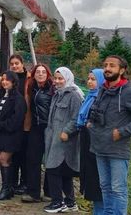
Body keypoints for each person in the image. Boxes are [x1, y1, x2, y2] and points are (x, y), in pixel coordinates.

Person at [88, 55, 131, 215]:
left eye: (112, 66)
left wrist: (122, 132)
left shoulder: (128, 91)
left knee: (118, 189)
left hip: (117, 151)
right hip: (100, 147)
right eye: (105, 65)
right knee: (105, 187)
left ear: (122, 70)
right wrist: (91, 123)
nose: (107, 68)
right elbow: (96, 110)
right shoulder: (103, 88)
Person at [43, 67, 83, 213]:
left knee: (53, 170)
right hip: (54, 139)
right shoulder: (57, 95)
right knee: (64, 172)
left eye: (60, 78)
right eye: (56, 78)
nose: (57, 81)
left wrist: (67, 131)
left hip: (65, 141)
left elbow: (77, 117)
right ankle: (71, 202)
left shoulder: (74, 96)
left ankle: (57, 202)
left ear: (68, 79)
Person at [0, 71, 27, 201]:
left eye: (8, 80)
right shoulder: (3, 95)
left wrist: (2, 124)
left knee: (3, 158)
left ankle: (6, 189)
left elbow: (17, 119)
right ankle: (9, 188)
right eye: (3, 79)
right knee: (5, 160)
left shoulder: (18, 98)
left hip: (12, 134)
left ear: (14, 82)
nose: (5, 82)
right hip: (3, 133)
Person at [22, 63, 54, 203]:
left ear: (47, 74)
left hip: (49, 127)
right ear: (34, 75)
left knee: (50, 160)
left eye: (43, 72)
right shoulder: (32, 88)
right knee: (32, 159)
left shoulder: (52, 89)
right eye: (38, 72)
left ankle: (50, 192)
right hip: (36, 126)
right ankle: (34, 192)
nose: (40, 74)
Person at [77, 69, 105, 214]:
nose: (89, 82)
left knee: (96, 180)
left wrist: (90, 124)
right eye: (88, 78)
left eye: (93, 79)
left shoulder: (100, 99)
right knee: (90, 179)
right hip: (86, 141)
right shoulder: (90, 97)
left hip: (95, 144)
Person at [8, 54, 31, 195]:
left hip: (26, 121)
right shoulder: (9, 78)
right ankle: (12, 182)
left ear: (22, 63)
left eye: (17, 63)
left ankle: (24, 183)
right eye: (12, 64)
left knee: (24, 155)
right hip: (12, 121)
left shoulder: (29, 78)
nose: (15, 66)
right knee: (13, 155)